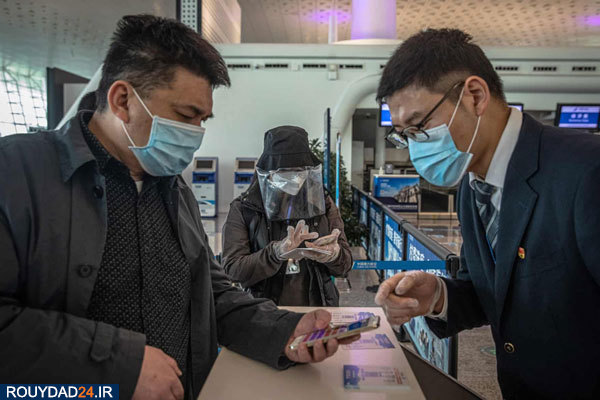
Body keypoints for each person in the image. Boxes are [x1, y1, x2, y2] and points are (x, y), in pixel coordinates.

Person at [0, 15, 356, 400]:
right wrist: (119, 364)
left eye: (202, 120)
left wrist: (283, 330)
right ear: (122, 100)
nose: (196, 135)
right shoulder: (17, 174)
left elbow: (211, 295)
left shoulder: (174, 189)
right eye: (186, 117)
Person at [373, 28, 600, 399]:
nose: (414, 148)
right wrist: (436, 296)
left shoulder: (584, 171)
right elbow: (493, 292)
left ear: (475, 96)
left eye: (419, 126)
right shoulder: (472, 185)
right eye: (404, 134)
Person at [222, 126, 352, 306]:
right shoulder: (245, 209)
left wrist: (334, 255)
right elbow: (232, 270)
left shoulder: (323, 204)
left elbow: (345, 265)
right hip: (264, 311)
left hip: (318, 307)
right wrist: (275, 253)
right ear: (268, 173)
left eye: (299, 171)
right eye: (284, 172)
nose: (293, 178)